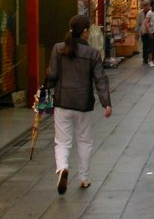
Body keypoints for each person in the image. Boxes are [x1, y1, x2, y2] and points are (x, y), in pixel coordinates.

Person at [46, 15, 112, 193]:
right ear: (85, 32)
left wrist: (45, 90)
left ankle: (62, 168)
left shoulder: (58, 49)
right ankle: (83, 177)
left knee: (62, 141)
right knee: (84, 140)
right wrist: (106, 103)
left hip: (62, 102)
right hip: (83, 103)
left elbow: (52, 75)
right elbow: (100, 79)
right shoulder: (92, 53)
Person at [137, 0, 151, 66]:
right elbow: (138, 22)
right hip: (143, 31)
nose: (145, 7)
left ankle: (151, 58)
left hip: (151, 31)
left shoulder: (152, 12)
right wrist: (137, 30)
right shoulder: (140, 13)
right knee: (145, 45)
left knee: (151, 45)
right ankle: (145, 59)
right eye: (144, 6)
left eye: (147, 5)